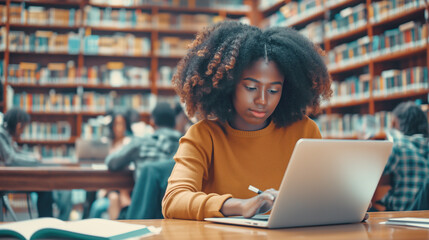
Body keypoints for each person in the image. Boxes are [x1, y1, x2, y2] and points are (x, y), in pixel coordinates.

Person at [161, 21, 332, 220]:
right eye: (251, 88)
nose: (262, 100)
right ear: (228, 84)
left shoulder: (304, 131)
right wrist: (240, 206)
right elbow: (173, 200)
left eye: (273, 90)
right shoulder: (204, 135)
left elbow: (322, 195)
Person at [106, 102, 183, 219]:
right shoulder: (186, 144)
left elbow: (112, 162)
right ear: (174, 123)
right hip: (176, 214)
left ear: (152, 122)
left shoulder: (140, 142)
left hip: (144, 213)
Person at [0, 108, 53, 218]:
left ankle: (46, 223)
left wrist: (32, 156)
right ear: (18, 125)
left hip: (7, 178)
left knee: (46, 187)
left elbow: (17, 152)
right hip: (5, 181)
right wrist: (35, 160)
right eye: (23, 128)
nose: (23, 132)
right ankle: (46, 224)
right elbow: (11, 159)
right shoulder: (1, 136)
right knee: (45, 188)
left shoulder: (6, 136)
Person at [379, 101, 429, 211]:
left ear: (395, 123)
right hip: (424, 214)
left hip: (400, 214)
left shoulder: (398, 145)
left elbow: (372, 173)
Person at [89, 110, 132, 219]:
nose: (119, 127)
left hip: (122, 185)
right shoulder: (106, 142)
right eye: (116, 124)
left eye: (121, 124)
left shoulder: (128, 142)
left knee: (113, 197)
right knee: (113, 197)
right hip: (106, 184)